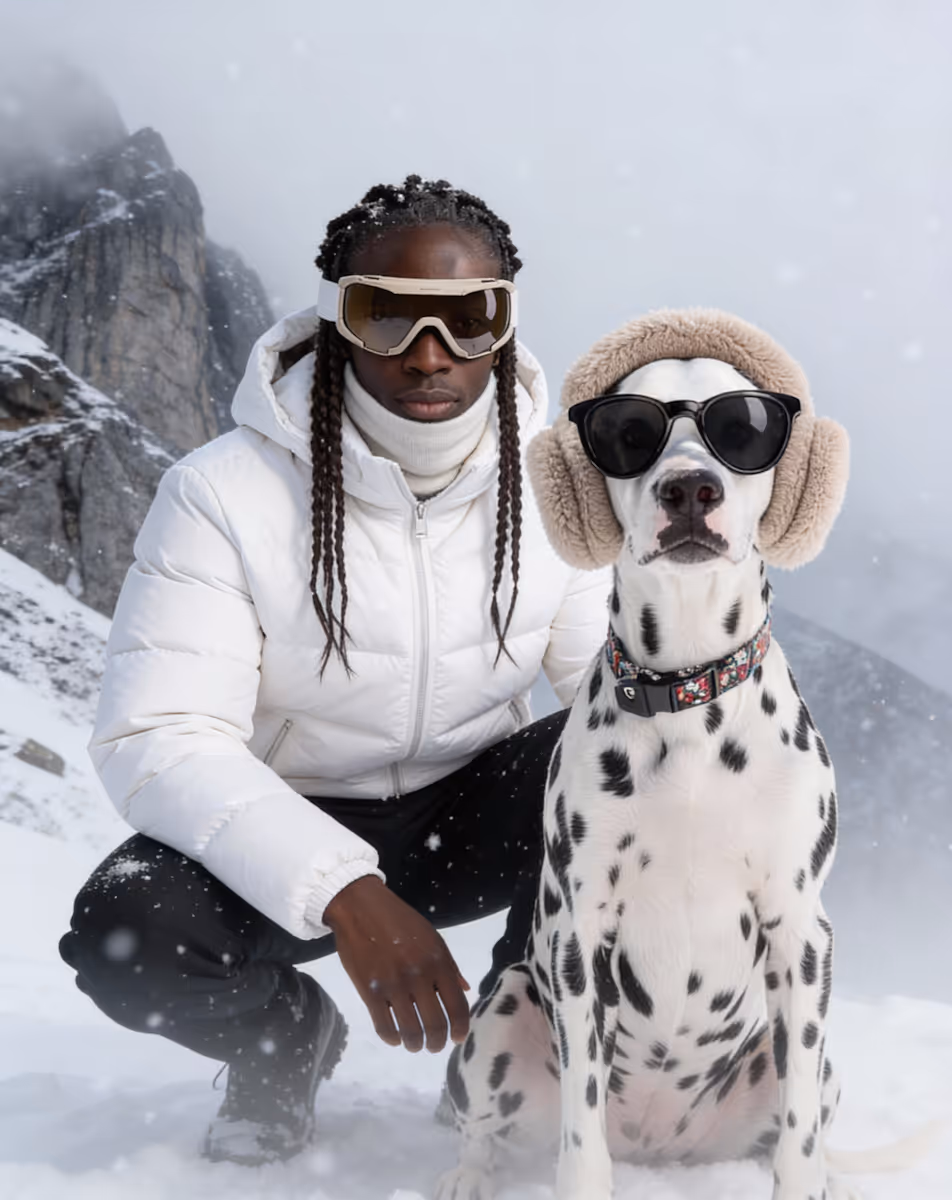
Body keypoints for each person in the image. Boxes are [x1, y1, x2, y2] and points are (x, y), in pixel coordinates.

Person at [58, 176, 610, 1166]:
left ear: (504, 324)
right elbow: (161, 735)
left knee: (631, 754)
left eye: (467, 319)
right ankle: (282, 1045)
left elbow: (610, 693)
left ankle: (505, 1044)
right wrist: (347, 893)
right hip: (285, 817)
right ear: (335, 321)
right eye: (385, 316)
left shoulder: (554, 484)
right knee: (122, 935)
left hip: (472, 814)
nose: (428, 353)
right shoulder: (222, 494)